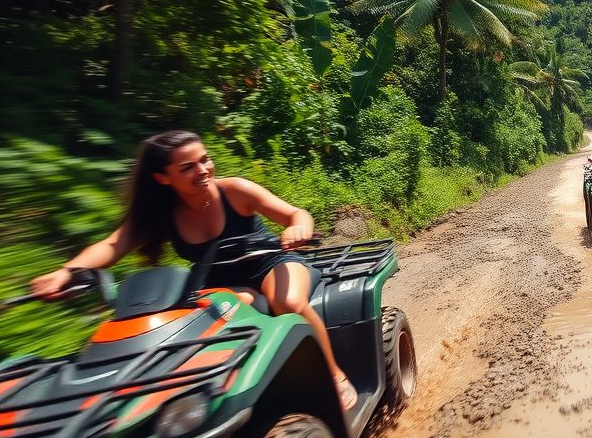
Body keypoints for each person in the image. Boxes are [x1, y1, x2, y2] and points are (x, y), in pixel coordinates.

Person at [30, 130, 359, 410]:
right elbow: (113, 245)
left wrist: (296, 229)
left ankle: (334, 374)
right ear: (163, 177)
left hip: (272, 263)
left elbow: (295, 213)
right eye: (187, 167)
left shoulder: (235, 190)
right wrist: (67, 271)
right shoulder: (161, 214)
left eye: (205, 159)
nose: (203, 170)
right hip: (218, 282)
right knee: (201, 326)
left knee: (287, 304)